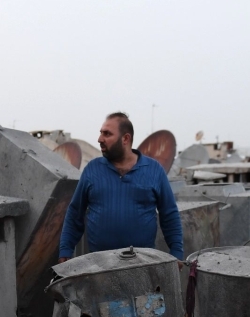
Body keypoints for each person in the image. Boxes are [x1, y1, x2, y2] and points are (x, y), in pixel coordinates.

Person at [58, 112, 184, 264]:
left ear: (125, 139)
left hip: (142, 266)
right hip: (100, 267)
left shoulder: (154, 170)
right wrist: (65, 249)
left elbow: (169, 214)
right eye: (100, 133)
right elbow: (75, 213)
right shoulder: (92, 169)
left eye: (107, 134)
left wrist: (176, 251)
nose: (100, 139)